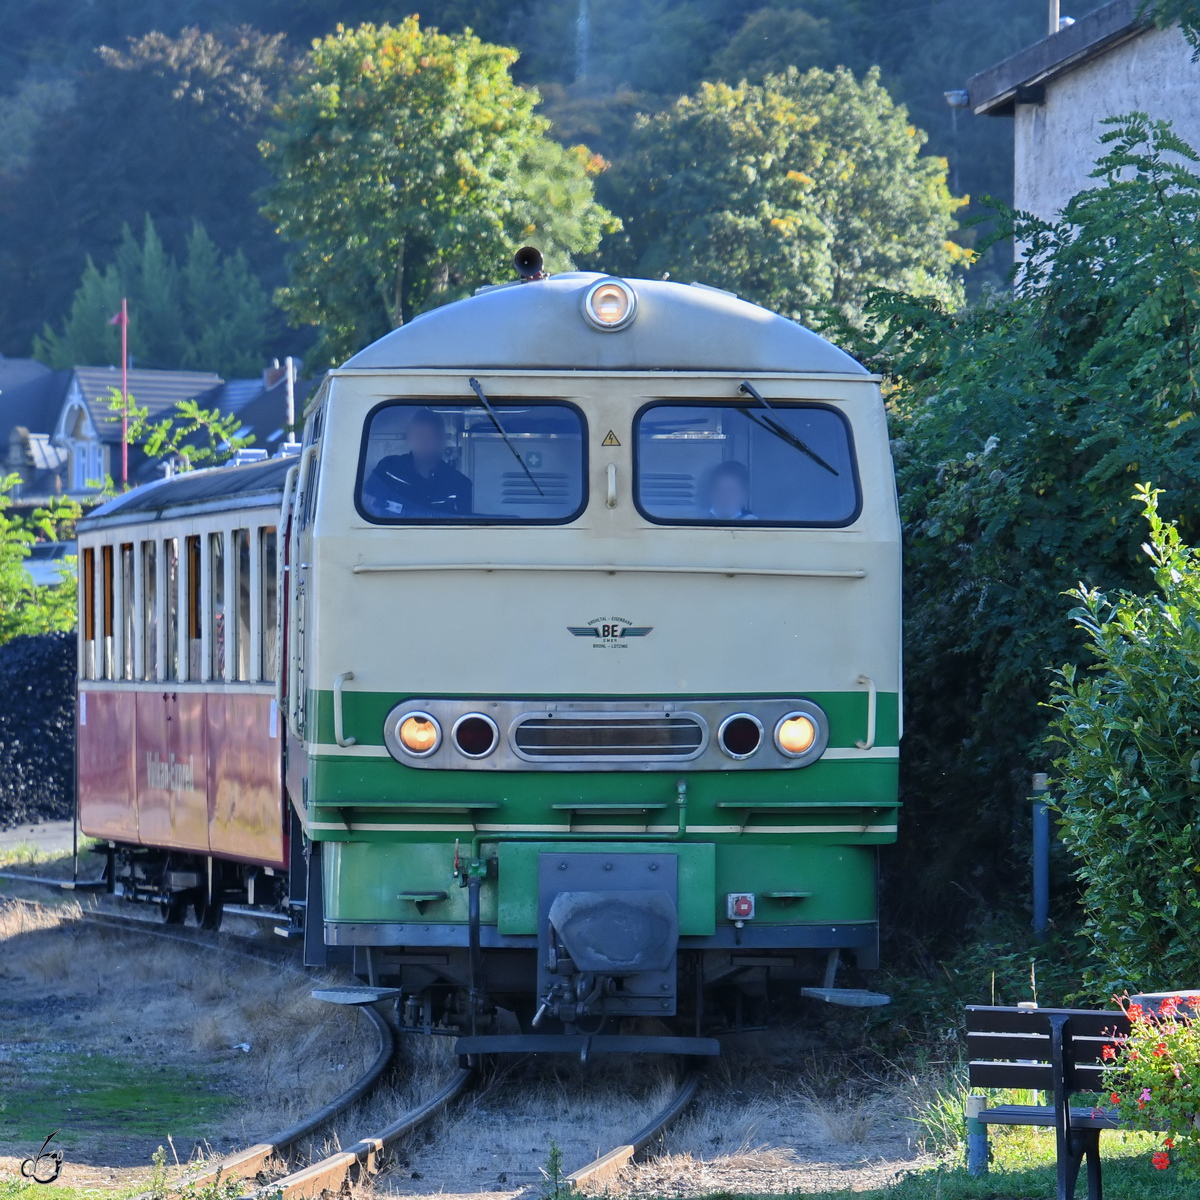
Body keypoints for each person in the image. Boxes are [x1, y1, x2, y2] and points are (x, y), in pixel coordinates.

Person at [362, 408, 473, 517]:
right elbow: (366, 506)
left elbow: (462, 526)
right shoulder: (388, 469)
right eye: (419, 435)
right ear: (409, 438)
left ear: (442, 440)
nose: (424, 442)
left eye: (431, 436)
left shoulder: (459, 484)